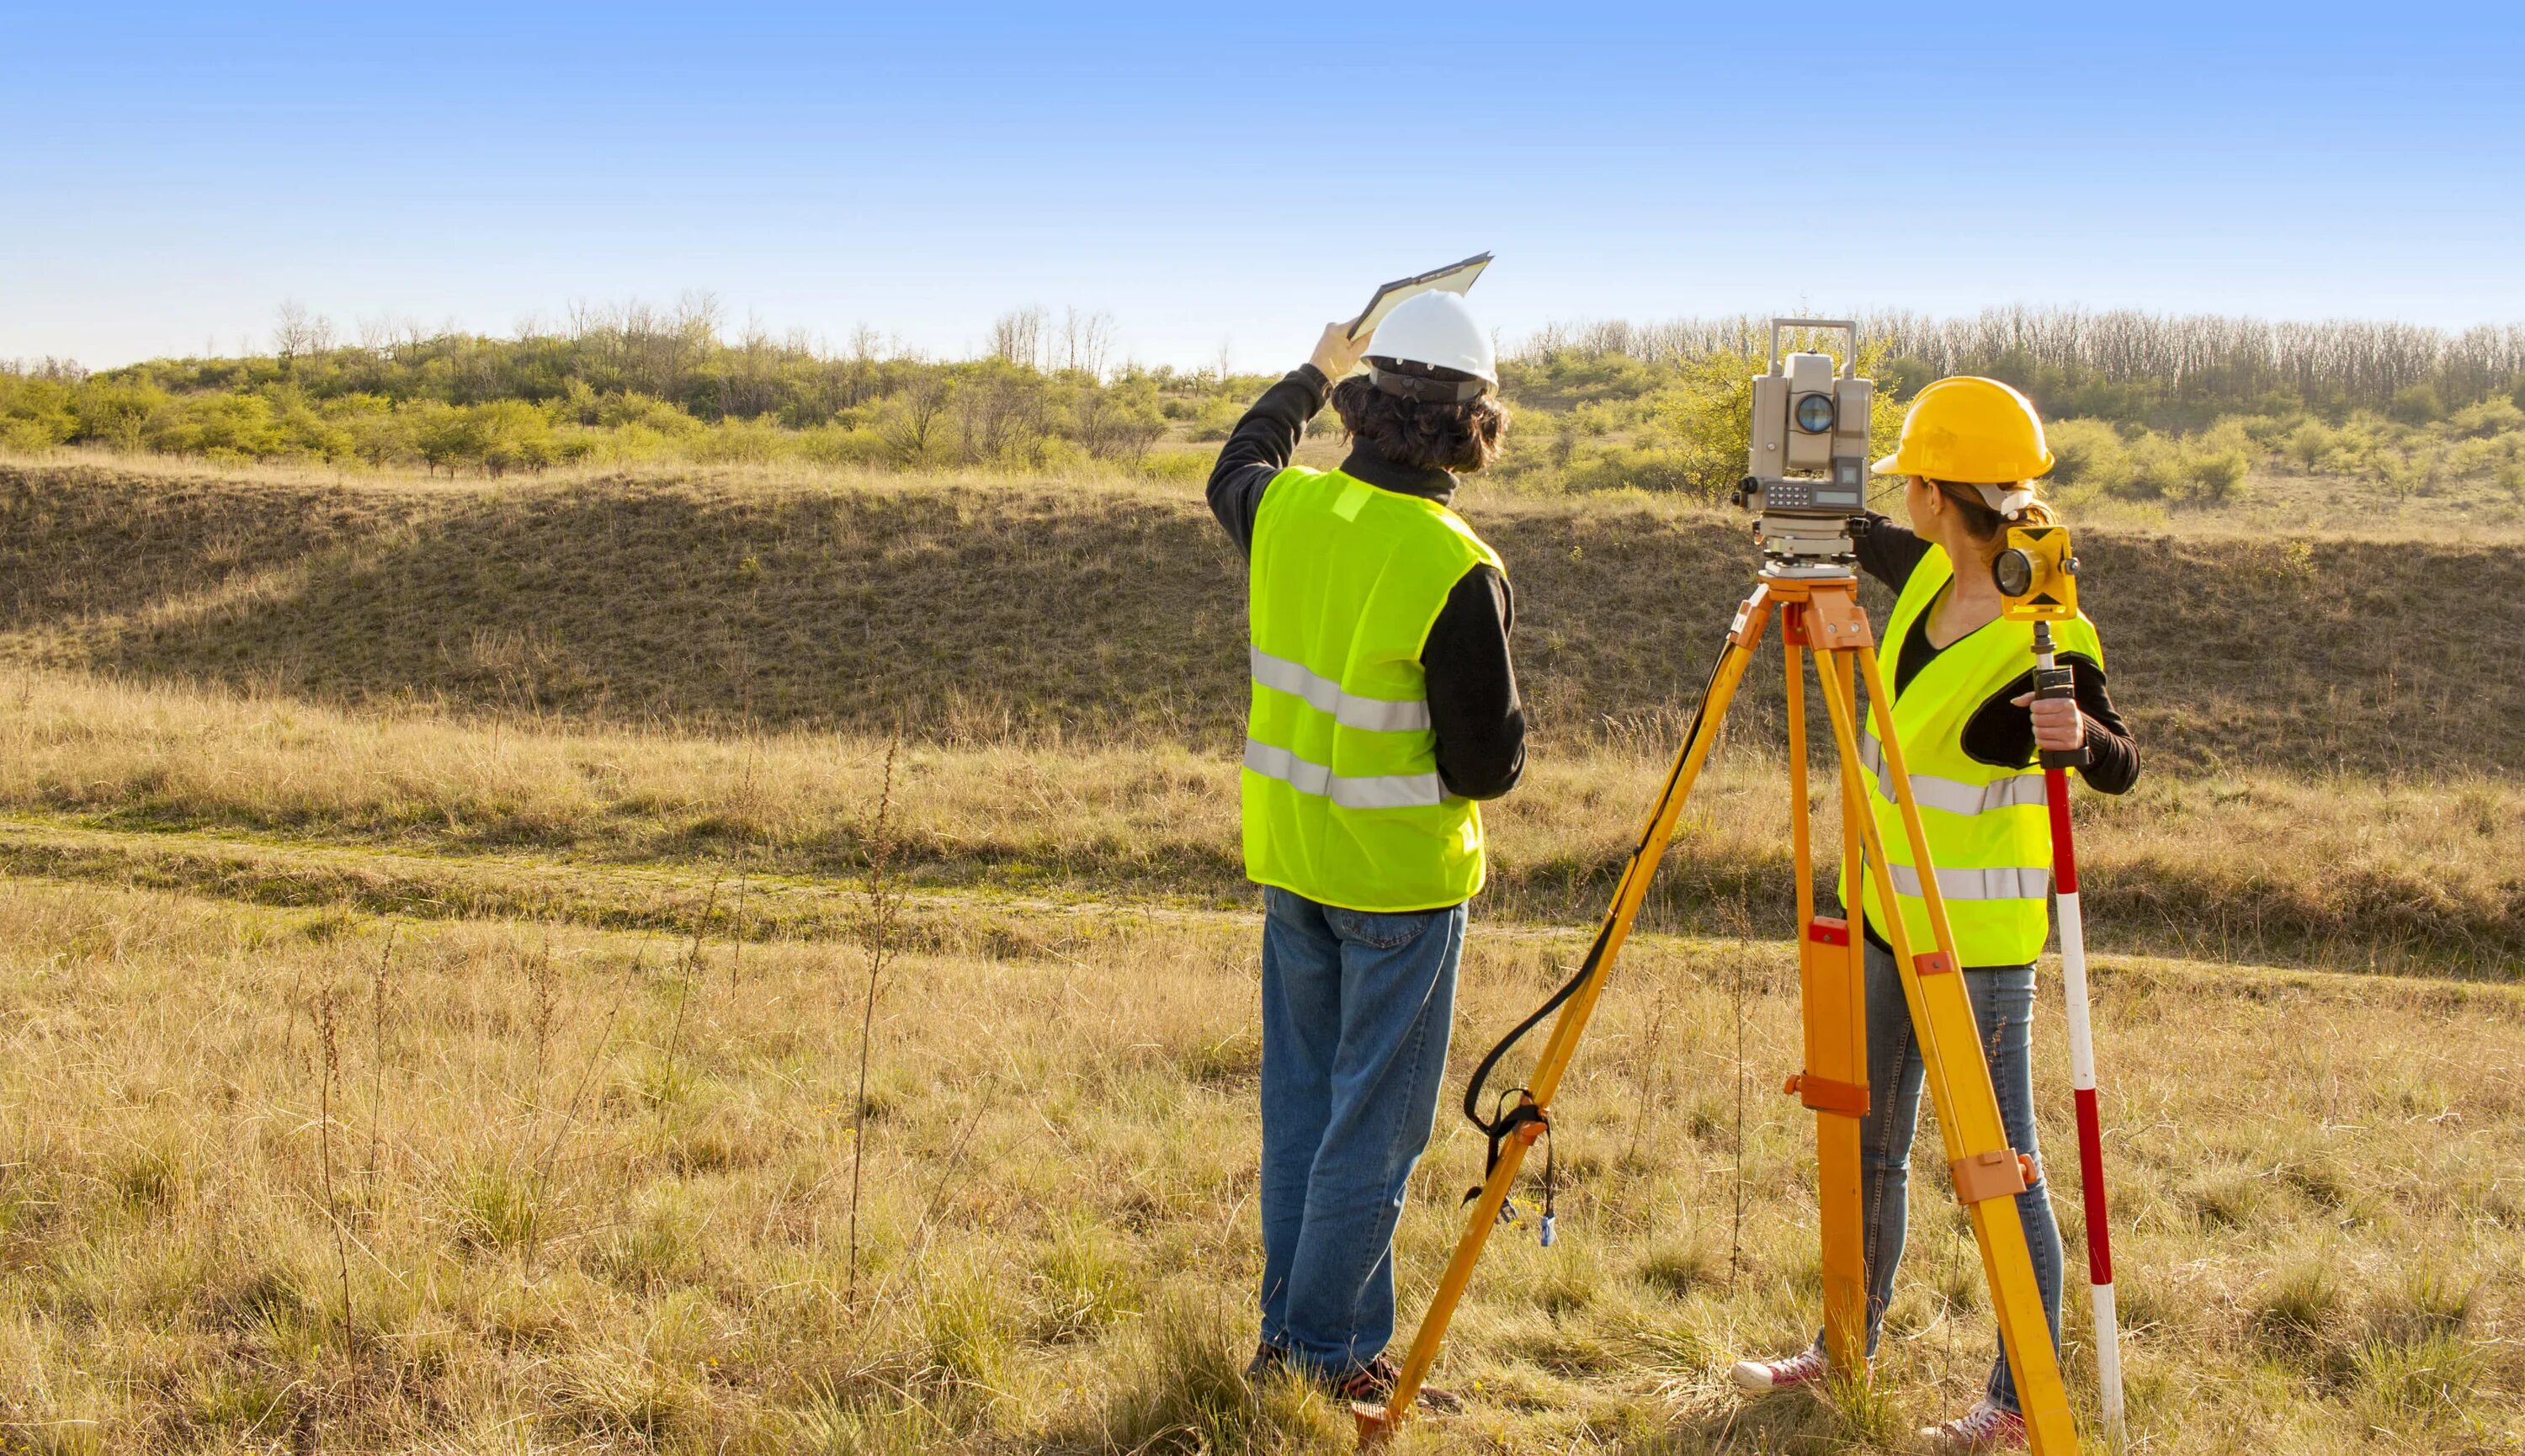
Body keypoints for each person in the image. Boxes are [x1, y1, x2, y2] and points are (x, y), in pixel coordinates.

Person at [1727, 377, 2141, 1451]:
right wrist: (1779, 498)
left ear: (1934, 494)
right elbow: (1855, 536)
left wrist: (2078, 739)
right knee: (1868, 1144)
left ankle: (2016, 1402)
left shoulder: (2049, 625)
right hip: (1881, 917)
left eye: (1907, 477)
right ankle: (1844, 1345)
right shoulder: (1923, 577)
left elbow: (2119, 761)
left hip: (1979, 951)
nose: (1896, 497)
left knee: (2000, 1173)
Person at [1204, 290, 1525, 1409]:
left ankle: (1298, 1336)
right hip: (1398, 886)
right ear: (1471, 425)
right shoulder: (1454, 564)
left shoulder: (1287, 509)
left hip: (1294, 862)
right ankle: (1321, 1354)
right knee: (1373, 1133)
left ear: (1363, 402)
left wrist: (1308, 369)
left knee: (1305, 1113)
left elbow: (1236, 461)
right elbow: (1486, 766)